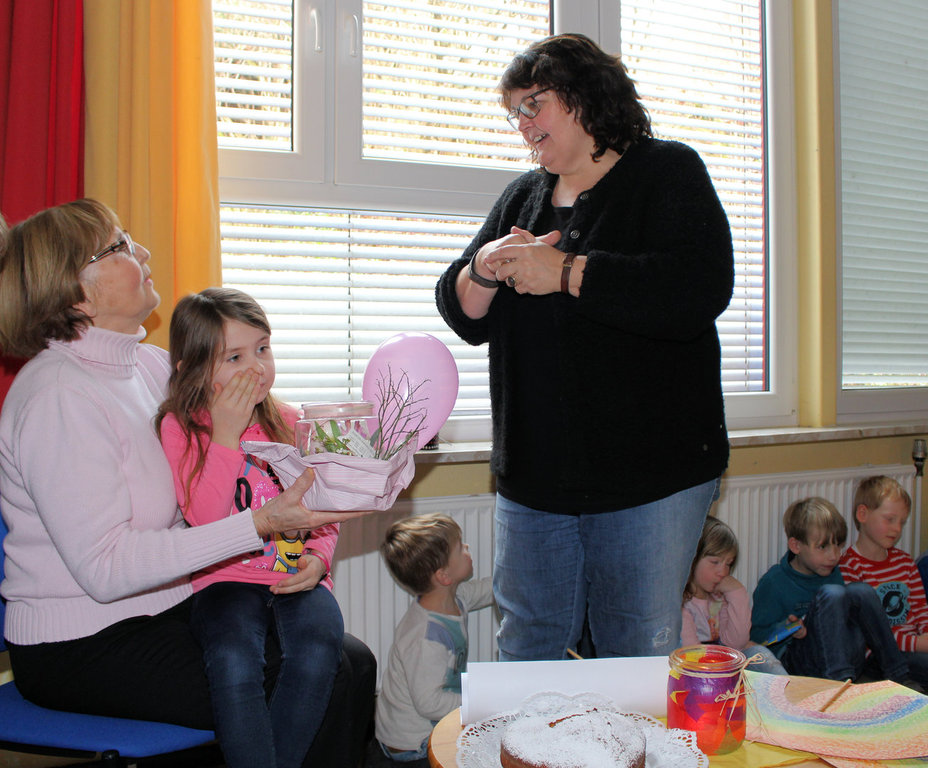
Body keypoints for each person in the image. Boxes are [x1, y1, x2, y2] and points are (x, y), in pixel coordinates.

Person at [0, 200, 375, 767]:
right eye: (119, 247)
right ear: (77, 295)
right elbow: (105, 570)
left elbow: (252, 443)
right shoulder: (57, 396)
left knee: (353, 661)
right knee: (319, 679)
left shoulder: (151, 367)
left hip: (165, 606)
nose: (143, 252)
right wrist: (259, 525)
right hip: (82, 643)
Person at [434, 33, 733, 661]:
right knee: (527, 645)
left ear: (585, 96)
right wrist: (483, 268)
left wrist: (567, 272)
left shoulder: (667, 172)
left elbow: (699, 286)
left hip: (649, 479)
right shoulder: (523, 196)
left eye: (534, 104)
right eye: (514, 112)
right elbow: (464, 313)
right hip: (534, 478)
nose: (523, 124)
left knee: (634, 650)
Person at [156, 288, 343, 768]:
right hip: (224, 580)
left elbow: (323, 508)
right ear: (194, 370)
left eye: (263, 348)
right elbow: (205, 520)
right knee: (234, 664)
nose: (256, 367)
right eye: (235, 357)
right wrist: (225, 434)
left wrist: (319, 558)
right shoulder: (181, 428)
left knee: (320, 651)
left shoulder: (291, 422)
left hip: (295, 574)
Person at [373, 513, 494, 765]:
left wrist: (518, 578)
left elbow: (487, 590)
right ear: (443, 576)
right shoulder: (425, 638)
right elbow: (430, 704)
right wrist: (480, 699)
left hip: (422, 724)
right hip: (411, 743)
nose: (467, 548)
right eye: (460, 547)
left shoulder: (455, 598)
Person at [750, 497, 910, 684]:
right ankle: (839, 683)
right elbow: (757, 638)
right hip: (801, 665)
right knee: (832, 593)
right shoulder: (774, 582)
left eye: (838, 546)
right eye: (823, 547)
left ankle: (899, 675)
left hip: (843, 658)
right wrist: (786, 627)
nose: (834, 556)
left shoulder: (832, 572)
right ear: (796, 546)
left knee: (861, 591)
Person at [840, 475, 928, 686]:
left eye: (902, 522)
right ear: (863, 514)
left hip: (914, 647)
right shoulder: (849, 567)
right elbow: (865, 631)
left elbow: (921, 609)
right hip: (878, 655)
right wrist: (916, 643)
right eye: (890, 519)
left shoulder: (905, 562)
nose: (897, 529)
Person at [682, 516, 785, 674]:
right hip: (702, 672)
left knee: (759, 654)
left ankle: (787, 689)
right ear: (692, 559)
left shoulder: (719, 598)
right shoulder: (683, 605)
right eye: (715, 562)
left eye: (728, 564)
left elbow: (737, 643)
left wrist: (737, 592)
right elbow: (693, 659)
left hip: (727, 664)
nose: (723, 572)